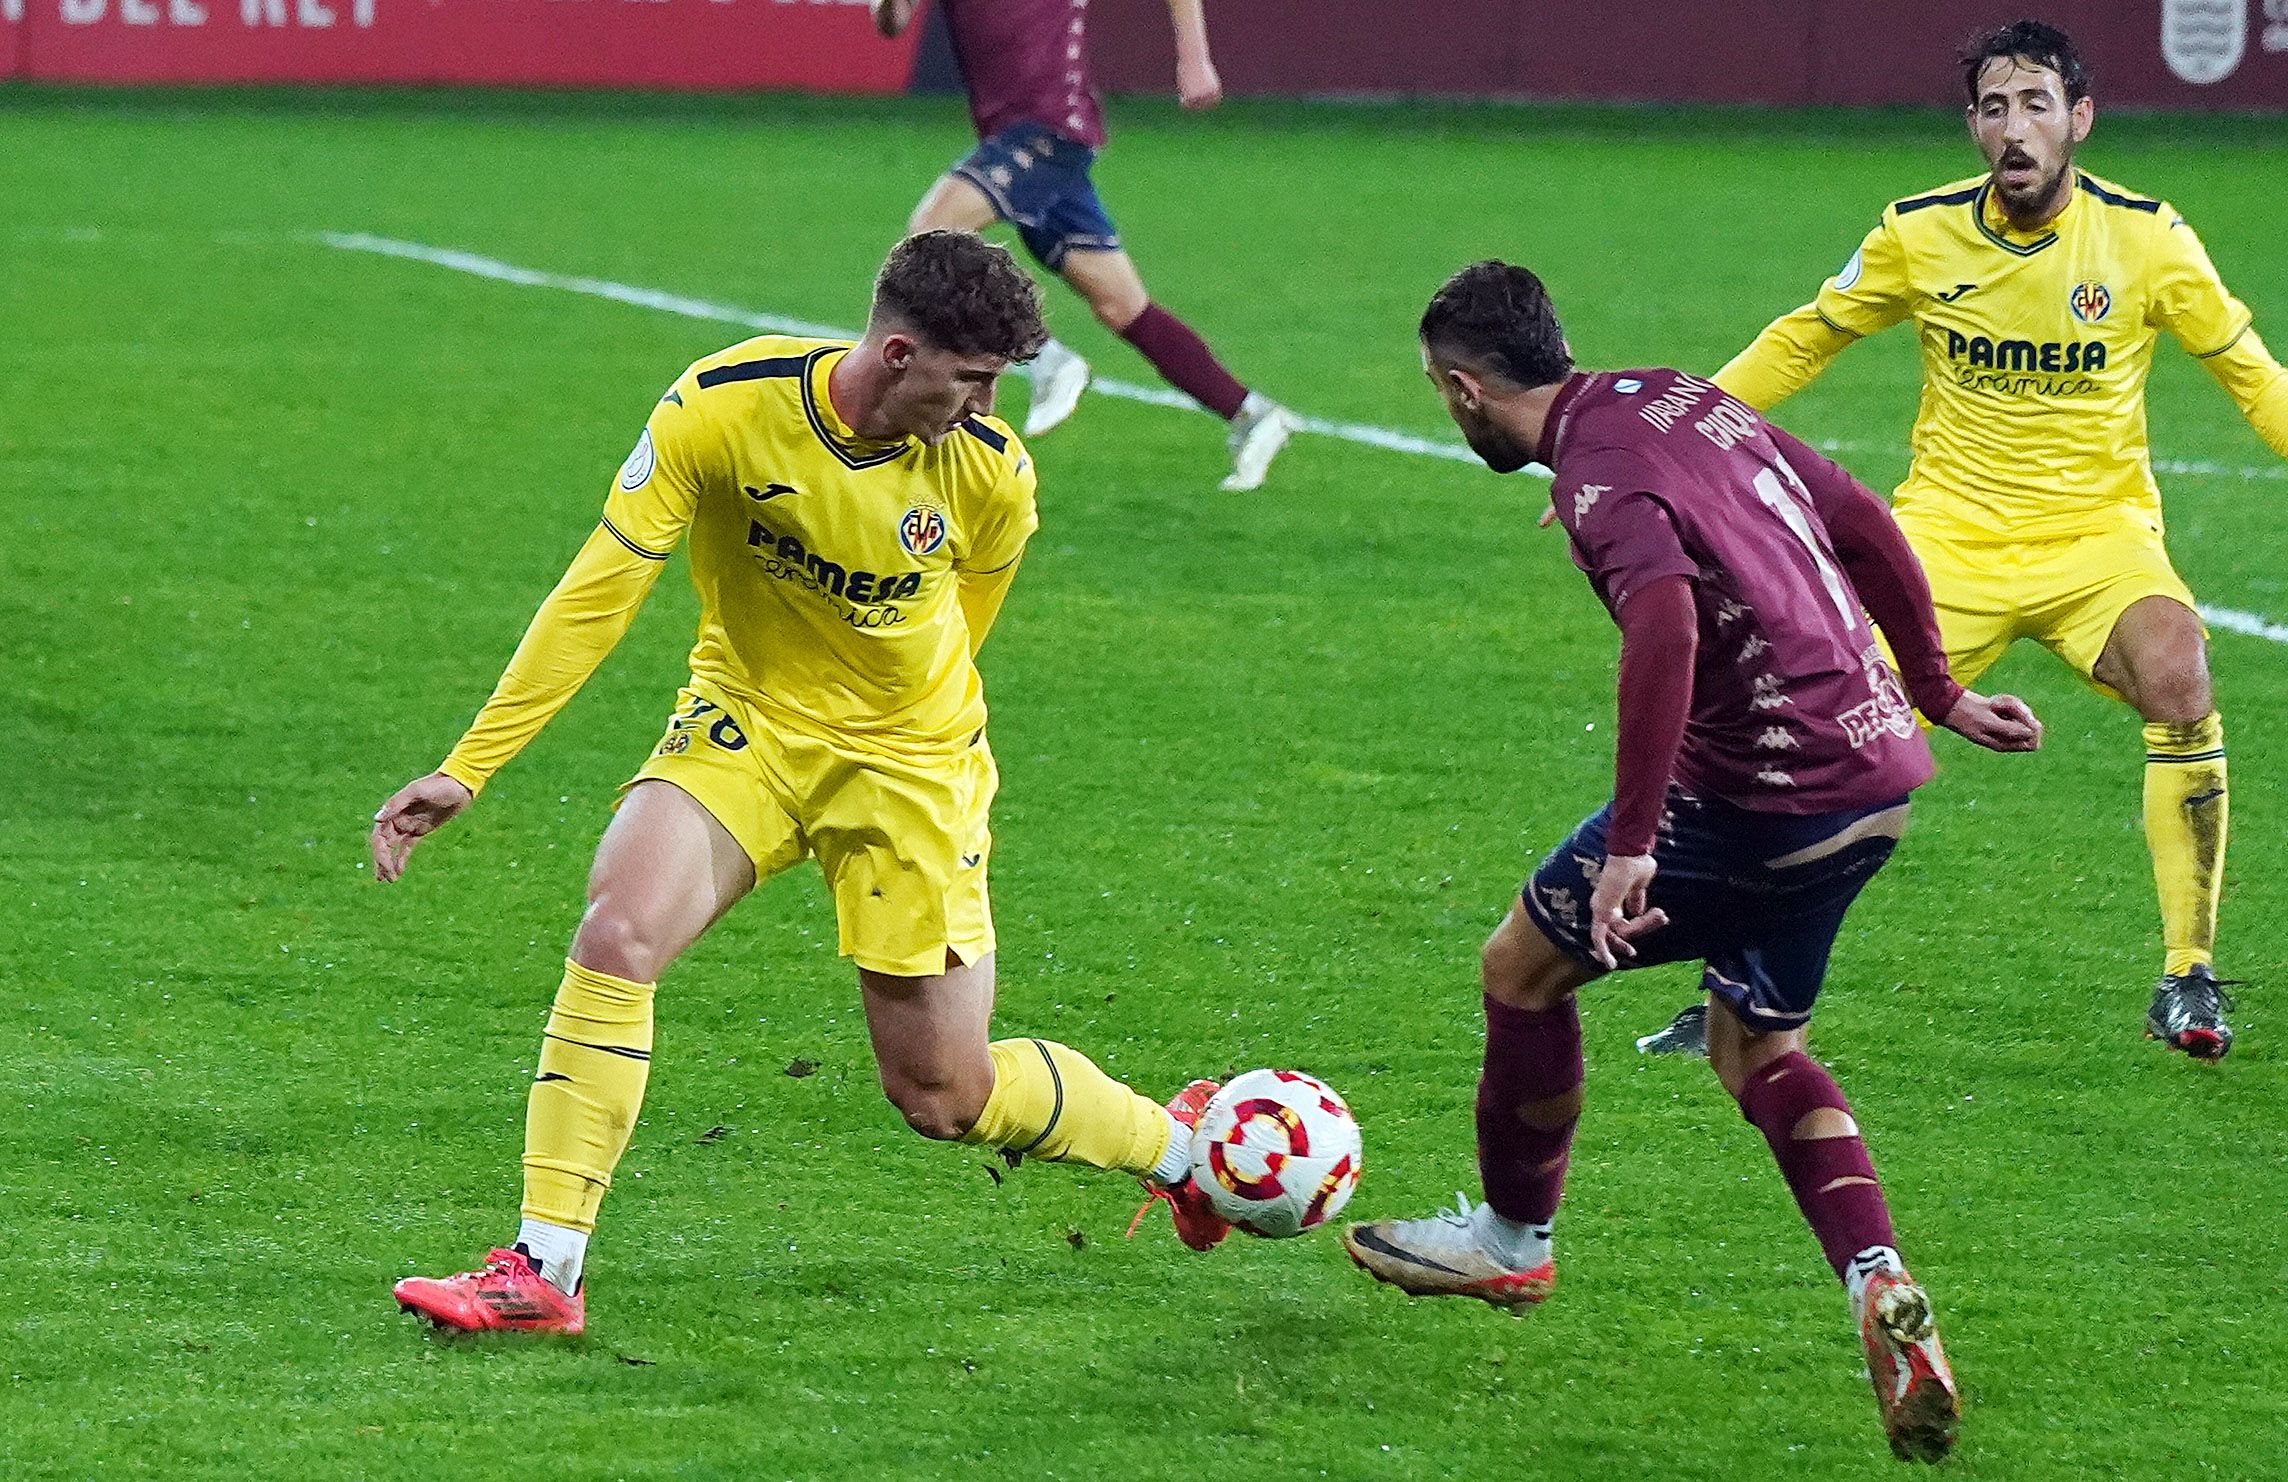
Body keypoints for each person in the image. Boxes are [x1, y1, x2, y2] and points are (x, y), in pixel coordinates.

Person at [376, 230, 1234, 1338]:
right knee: (617, 932)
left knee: (942, 1096)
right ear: (895, 353)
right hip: (748, 724)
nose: (984, 405)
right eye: (969, 379)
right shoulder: (723, 409)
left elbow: (967, 625)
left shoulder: (987, 474)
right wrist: (469, 766)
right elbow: (597, 591)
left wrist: (915, 744)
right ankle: (545, 1270)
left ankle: (1176, 1149)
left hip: (910, 767)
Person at [1343, 261, 2043, 1464]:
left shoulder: (1593, 483)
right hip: (1874, 783)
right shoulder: (1677, 396)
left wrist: (1629, 848)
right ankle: (1877, 1281)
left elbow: (1660, 625)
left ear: (1465, 388)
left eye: (1435, 393)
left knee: (1519, 968)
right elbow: (1860, 518)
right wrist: (1936, 689)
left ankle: (1511, 1244)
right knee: (1757, 1045)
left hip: (1760, 800)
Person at [1638, 18, 2288, 1065]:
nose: (2014, 127)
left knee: (2179, 677)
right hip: (1945, 541)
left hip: (2099, 541)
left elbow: (2247, 369)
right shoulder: (1917, 233)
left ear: (2077, 120)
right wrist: (1667, 448)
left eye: (2035, 104)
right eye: (1994, 107)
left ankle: (2186, 974)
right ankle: (1737, 982)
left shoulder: (2144, 238)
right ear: (1971, 126)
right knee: (1812, 723)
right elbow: (1805, 334)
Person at [874, 0, 1293, 490]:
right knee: (1121, 306)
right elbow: (892, 23)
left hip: (1051, 130)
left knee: (930, 234)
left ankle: (1049, 360)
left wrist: (1194, 57)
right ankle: (1251, 414)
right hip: (1016, 140)